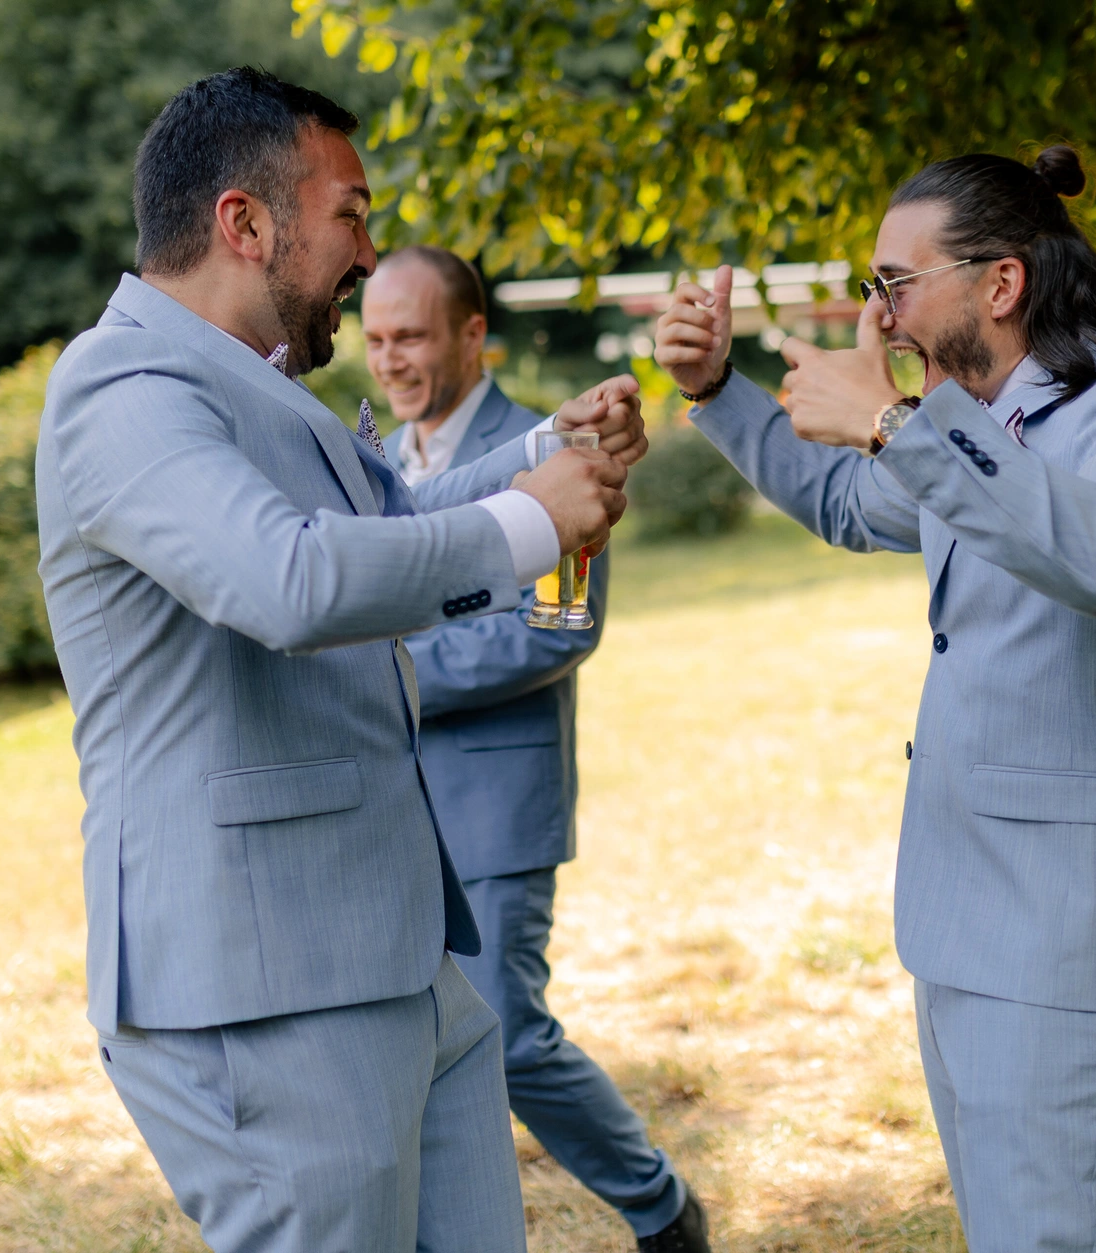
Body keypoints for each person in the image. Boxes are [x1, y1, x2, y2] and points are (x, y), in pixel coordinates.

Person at [36, 68, 647, 1253]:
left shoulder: (255, 382)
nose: (368, 256)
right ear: (245, 222)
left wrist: (548, 447)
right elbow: (293, 578)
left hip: (397, 953)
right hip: (265, 983)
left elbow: (393, 519)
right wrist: (535, 521)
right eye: (350, 216)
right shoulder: (118, 386)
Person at [654, 147, 1096, 1253]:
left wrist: (896, 425)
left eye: (896, 284)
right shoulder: (981, 418)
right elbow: (848, 499)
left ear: (1001, 283)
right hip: (963, 918)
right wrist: (714, 389)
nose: (881, 316)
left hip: (1076, 933)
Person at [363, 246, 710, 1251]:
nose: (388, 360)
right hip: (382, 812)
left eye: (410, 336)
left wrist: (386, 671)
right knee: (407, 1047)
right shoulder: (369, 459)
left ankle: (659, 1205)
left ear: (473, 334)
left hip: (495, 803)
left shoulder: (554, 447)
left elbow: (553, 631)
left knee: (508, 1035)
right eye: (374, 338)